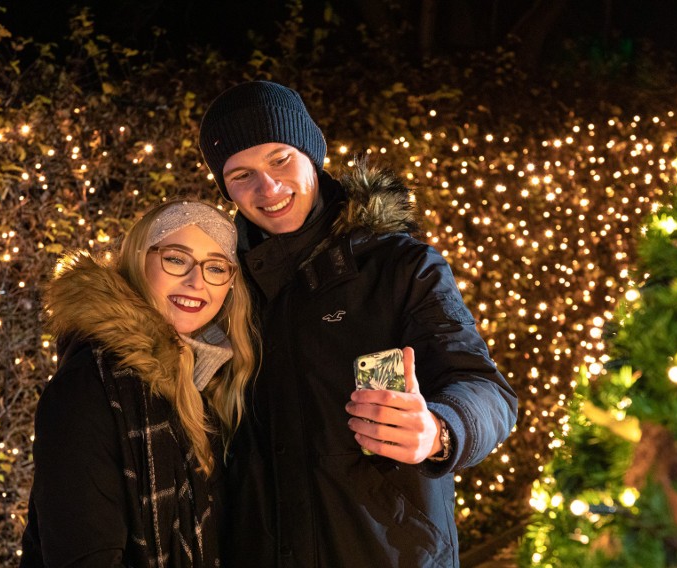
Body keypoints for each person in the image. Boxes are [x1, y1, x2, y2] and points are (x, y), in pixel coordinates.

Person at [198, 80, 518, 567]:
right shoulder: (220, 286)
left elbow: (483, 386)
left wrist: (439, 430)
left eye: (280, 159)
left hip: (388, 552)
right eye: (242, 174)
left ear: (313, 154)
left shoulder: (400, 266)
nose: (268, 189)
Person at [20, 199, 258, 567]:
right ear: (137, 259)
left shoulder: (210, 384)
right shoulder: (90, 385)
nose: (197, 281)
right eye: (176, 259)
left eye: (215, 267)